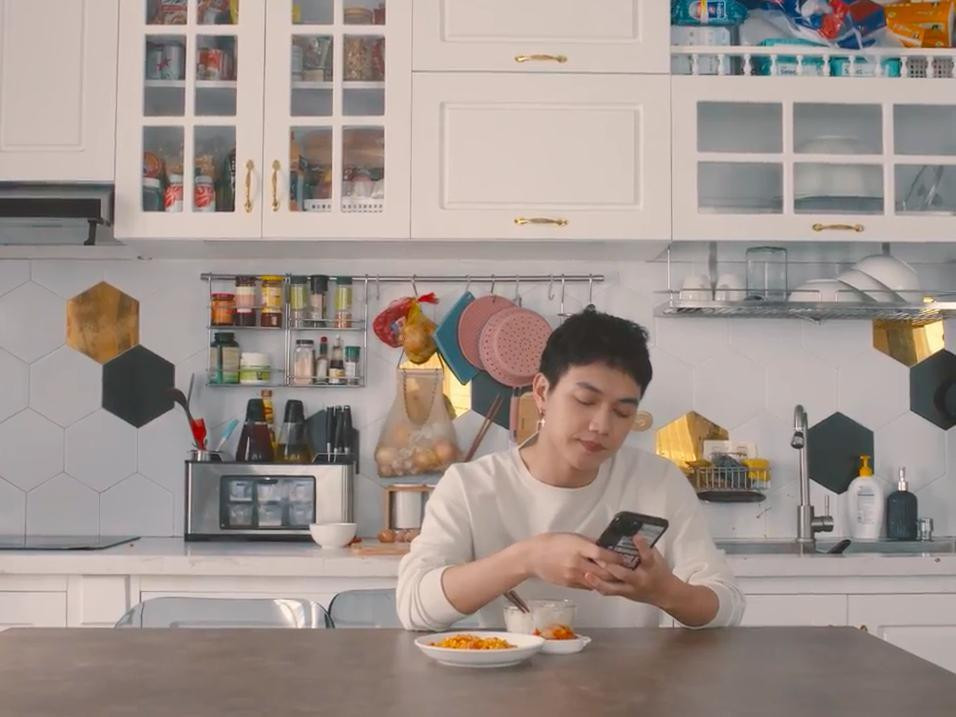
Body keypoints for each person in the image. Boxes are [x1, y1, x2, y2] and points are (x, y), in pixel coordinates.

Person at [397, 309, 745, 630]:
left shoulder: (658, 481)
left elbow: (728, 606)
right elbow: (414, 607)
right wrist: (527, 559)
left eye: (622, 412)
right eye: (585, 401)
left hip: (632, 677)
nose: (601, 425)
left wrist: (665, 591)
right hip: (509, 675)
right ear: (542, 392)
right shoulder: (470, 485)